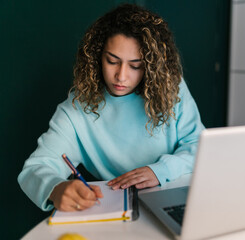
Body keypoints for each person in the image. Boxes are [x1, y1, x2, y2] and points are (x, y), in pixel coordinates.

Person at [18, 4, 204, 212]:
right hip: (120, 209)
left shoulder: (171, 88)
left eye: (135, 66)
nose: (121, 76)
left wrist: (162, 170)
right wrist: (55, 188)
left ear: (151, 66)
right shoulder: (78, 108)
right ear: (97, 56)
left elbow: (199, 145)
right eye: (112, 61)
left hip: (177, 198)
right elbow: (35, 168)